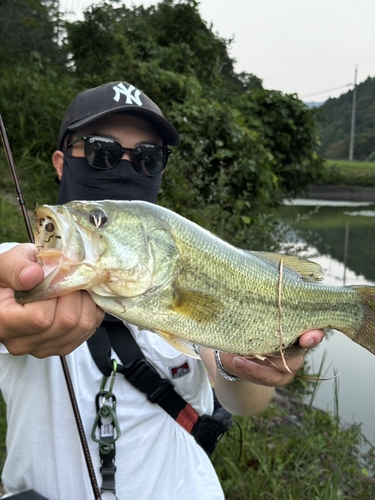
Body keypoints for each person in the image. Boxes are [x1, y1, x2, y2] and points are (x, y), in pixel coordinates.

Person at [0, 81, 324, 499]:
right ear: (62, 163)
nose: (124, 167)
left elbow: (248, 402)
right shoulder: (16, 263)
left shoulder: (182, 259)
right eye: (103, 151)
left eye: (149, 158)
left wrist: (242, 363)